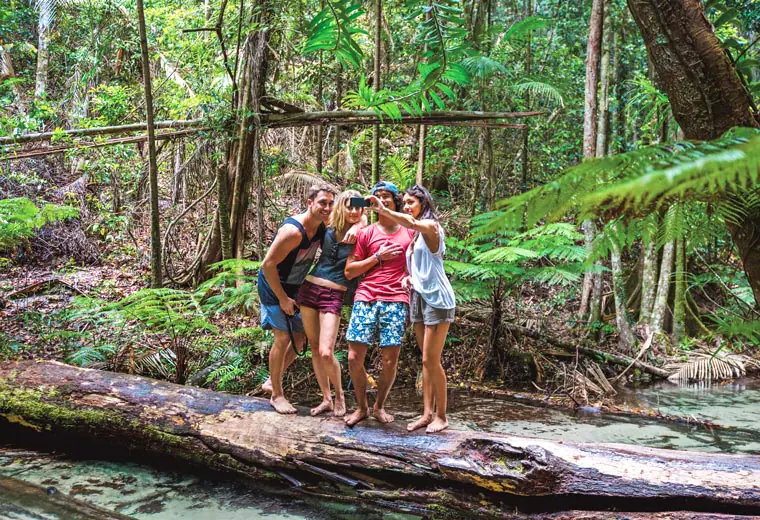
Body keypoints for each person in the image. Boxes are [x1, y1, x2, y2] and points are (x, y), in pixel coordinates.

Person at [367, 185, 455, 433]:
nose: (406, 207)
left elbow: (408, 222)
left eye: (411, 203)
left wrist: (383, 209)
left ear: (423, 203)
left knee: (431, 360)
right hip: (419, 297)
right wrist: (411, 279)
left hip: (438, 300)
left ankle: (442, 416)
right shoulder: (416, 234)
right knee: (424, 361)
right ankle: (426, 414)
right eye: (404, 202)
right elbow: (421, 267)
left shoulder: (430, 226)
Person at [258, 183, 336, 414]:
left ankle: (273, 380)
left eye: (331, 203)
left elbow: (348, 224)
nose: (328, 208)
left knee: (300, 339)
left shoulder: (322, 226)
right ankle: (277, 395)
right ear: (310, 203)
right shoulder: (293, 232)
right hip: (273, 287)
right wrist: (282, 298)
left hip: (295, 287)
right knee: (282, 339)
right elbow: (268, 265)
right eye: (323, 203)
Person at [343, 181, 414, 427]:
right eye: (377, 198)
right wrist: (377, 257)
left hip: (396, 298)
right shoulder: (366, 233)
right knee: (354, 357)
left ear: (395, 202)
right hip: (366, 295)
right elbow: (350, 271)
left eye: (387, 197)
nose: (382, 201)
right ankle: (361, 407)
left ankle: (379, 406)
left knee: (390, 360)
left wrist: (410, 277)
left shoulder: (409, 232)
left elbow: (421, 263)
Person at [297, 189, 366, 417]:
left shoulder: (364, 231)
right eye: (350, 206)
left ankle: (340, 396)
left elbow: (369, 216)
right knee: (315, 349)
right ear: (340, 206)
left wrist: (359, 224)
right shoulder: (327, 224)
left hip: (333, 294)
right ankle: (326, 397)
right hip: (309, 289)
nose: (354, 211)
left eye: (358, 207)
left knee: (327, 351)